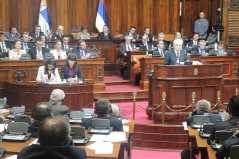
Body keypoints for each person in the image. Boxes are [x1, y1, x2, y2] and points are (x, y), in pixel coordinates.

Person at [17, 116, 87, 159]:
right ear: (68, 138)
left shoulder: (25, 153)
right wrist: (72, 148)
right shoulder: (78, 154)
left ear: (38, 137)